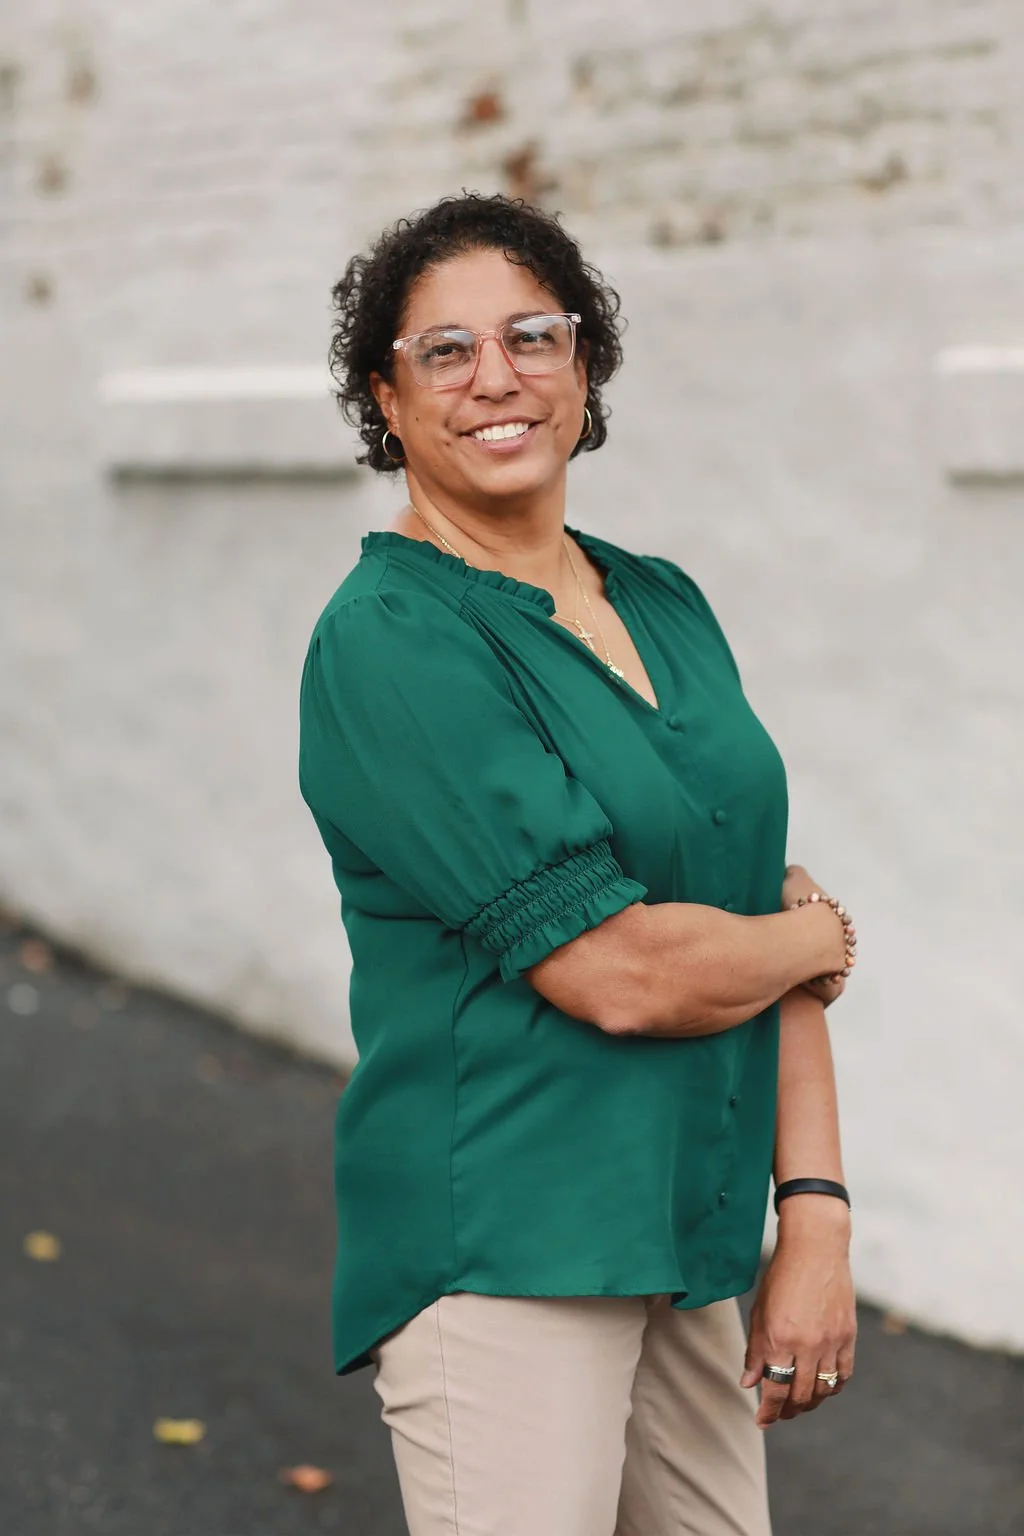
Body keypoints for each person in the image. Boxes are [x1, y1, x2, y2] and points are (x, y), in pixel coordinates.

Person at [298, 192, 857, 1536]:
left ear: (585, 365)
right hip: (508, 1239)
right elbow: (626, 973)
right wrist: (820, 939)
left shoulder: (662, 599)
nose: (497, 377)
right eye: (445, 352)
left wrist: (818, 1218)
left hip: (686, 1223)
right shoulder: (390, 641)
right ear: (386, 395)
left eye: (533, 336)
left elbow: (747, 893)